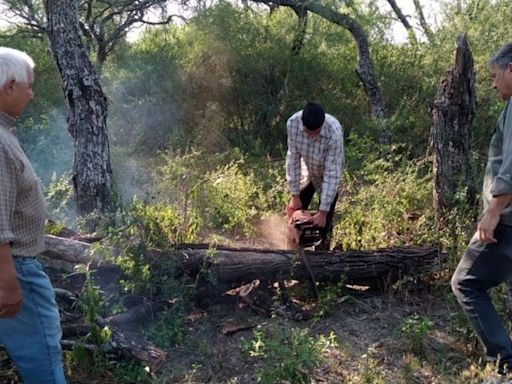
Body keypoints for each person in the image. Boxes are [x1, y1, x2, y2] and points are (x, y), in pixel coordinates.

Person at [0, 47, 66, 383]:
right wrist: (9, 282)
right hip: (16, 269)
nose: (32, 92)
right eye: (28, 84)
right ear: (9, 86)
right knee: (42, 356)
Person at [451, 43, 512, 380]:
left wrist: (494, 210)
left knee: (466, 283)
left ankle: (505, 364)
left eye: (494, 75)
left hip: (507, 217)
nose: (492, 83)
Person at [285, 102, 344, 249]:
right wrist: (294, 194)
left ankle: (321, 254)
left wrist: (322, 212)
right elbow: (292, 159)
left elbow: (332, 174)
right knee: (297, 212)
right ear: (302, 124)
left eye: (316, 132)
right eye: (307, 132)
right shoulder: (292, 124)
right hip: (306, 169)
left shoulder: (334, 134)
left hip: (326, 172)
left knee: (325, 220)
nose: (312, 136)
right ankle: (292, 253)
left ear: (322, 125)